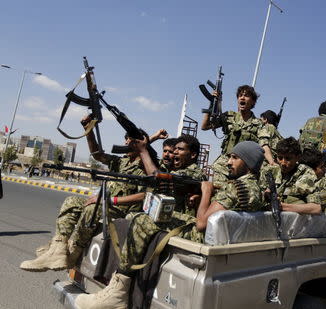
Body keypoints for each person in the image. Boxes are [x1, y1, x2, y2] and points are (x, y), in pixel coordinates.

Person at [75, 139, 262, 309]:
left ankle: (118, 291)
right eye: (230, 157)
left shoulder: (235, 187)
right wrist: (200, 200)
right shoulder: (255, 188)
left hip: (204, 235)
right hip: (225, 237)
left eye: (235, 158)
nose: (229, 162)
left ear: (249, 162)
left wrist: (206, 192)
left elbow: (202, 223)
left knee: (143, 219)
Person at [19, 116, 166, 272]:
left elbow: (145, 195)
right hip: (105, 203)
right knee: (71, 201)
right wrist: (88, 130)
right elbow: (97, 154)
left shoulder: (148, 165)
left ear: (138, 144)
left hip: (121, 209)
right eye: (126, 140)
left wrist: (110, 200)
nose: (125, 143)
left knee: (92, 209)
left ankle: (74, 251)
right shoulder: (121, 162)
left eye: (129, 140)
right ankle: (58, 248)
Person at [201, 85, 275, 185]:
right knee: (219, 188)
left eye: (246, 95)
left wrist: (271, 162)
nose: (242, 98)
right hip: (226, 162)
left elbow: (264, 145)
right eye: (240, 95)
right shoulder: (228, 116)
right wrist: (212, 103)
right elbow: (205, 126)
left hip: (246, 165)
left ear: (253, 102)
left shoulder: (259, 124)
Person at [260, 137, 321, 215]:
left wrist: (282, 206)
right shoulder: (269, 171)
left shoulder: (305, 173)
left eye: (288, 158)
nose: (283, 163)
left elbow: (316, 208)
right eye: (280, 158)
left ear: (297, 157)